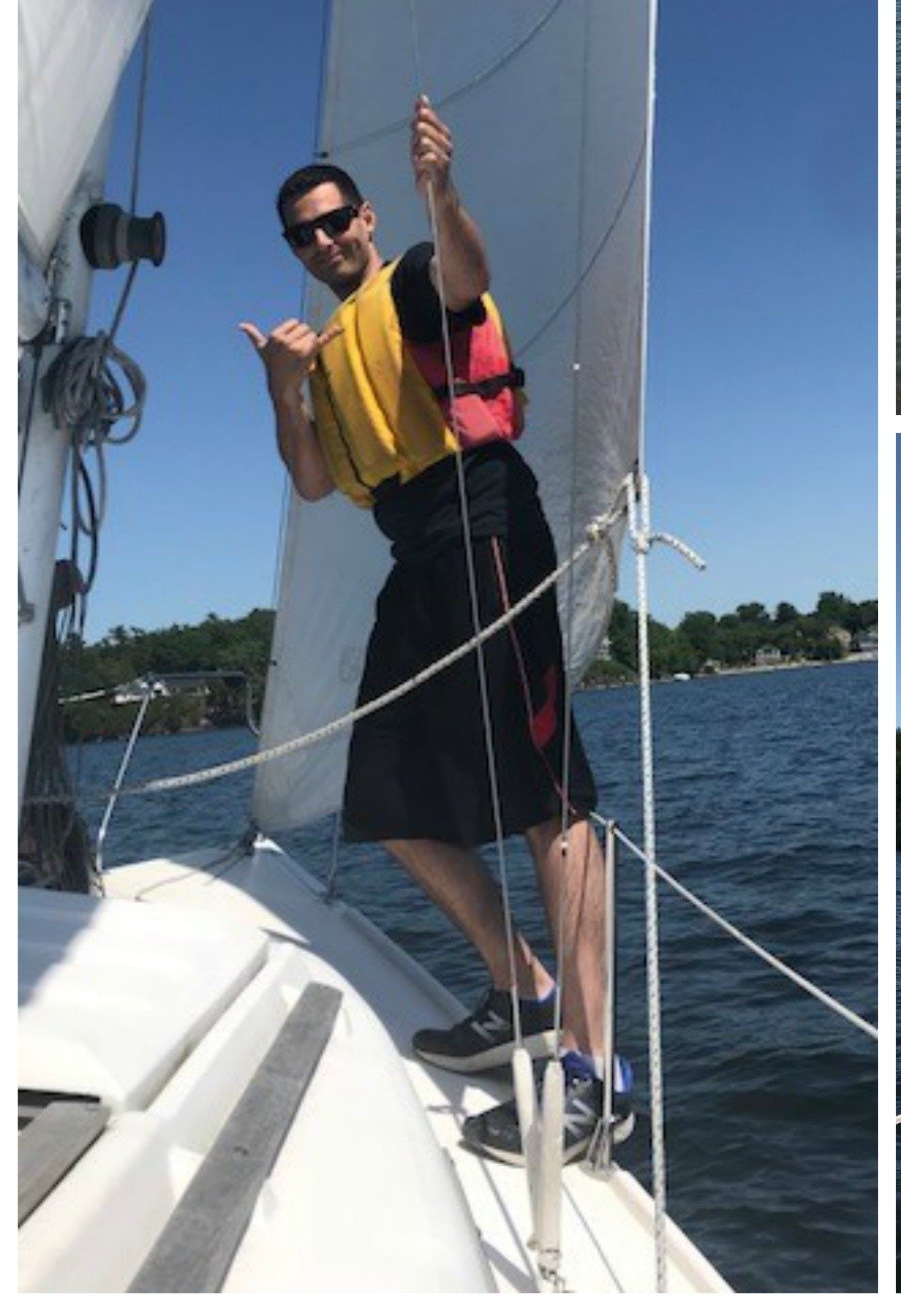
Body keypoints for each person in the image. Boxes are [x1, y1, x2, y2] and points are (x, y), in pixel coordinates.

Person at [240, 98, 631, 1168]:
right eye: (302, 236)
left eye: (333, 222)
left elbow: (463, 273)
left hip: (486, 521)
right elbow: (317, 480)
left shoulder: (411, 272)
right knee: (388, 795)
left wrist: (443, 191)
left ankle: (600, 1077)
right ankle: (522, 992)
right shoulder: (318, 352)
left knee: (549, 792)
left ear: (364, 218)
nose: (322, 243)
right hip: (418, 556)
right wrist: (283, 390)